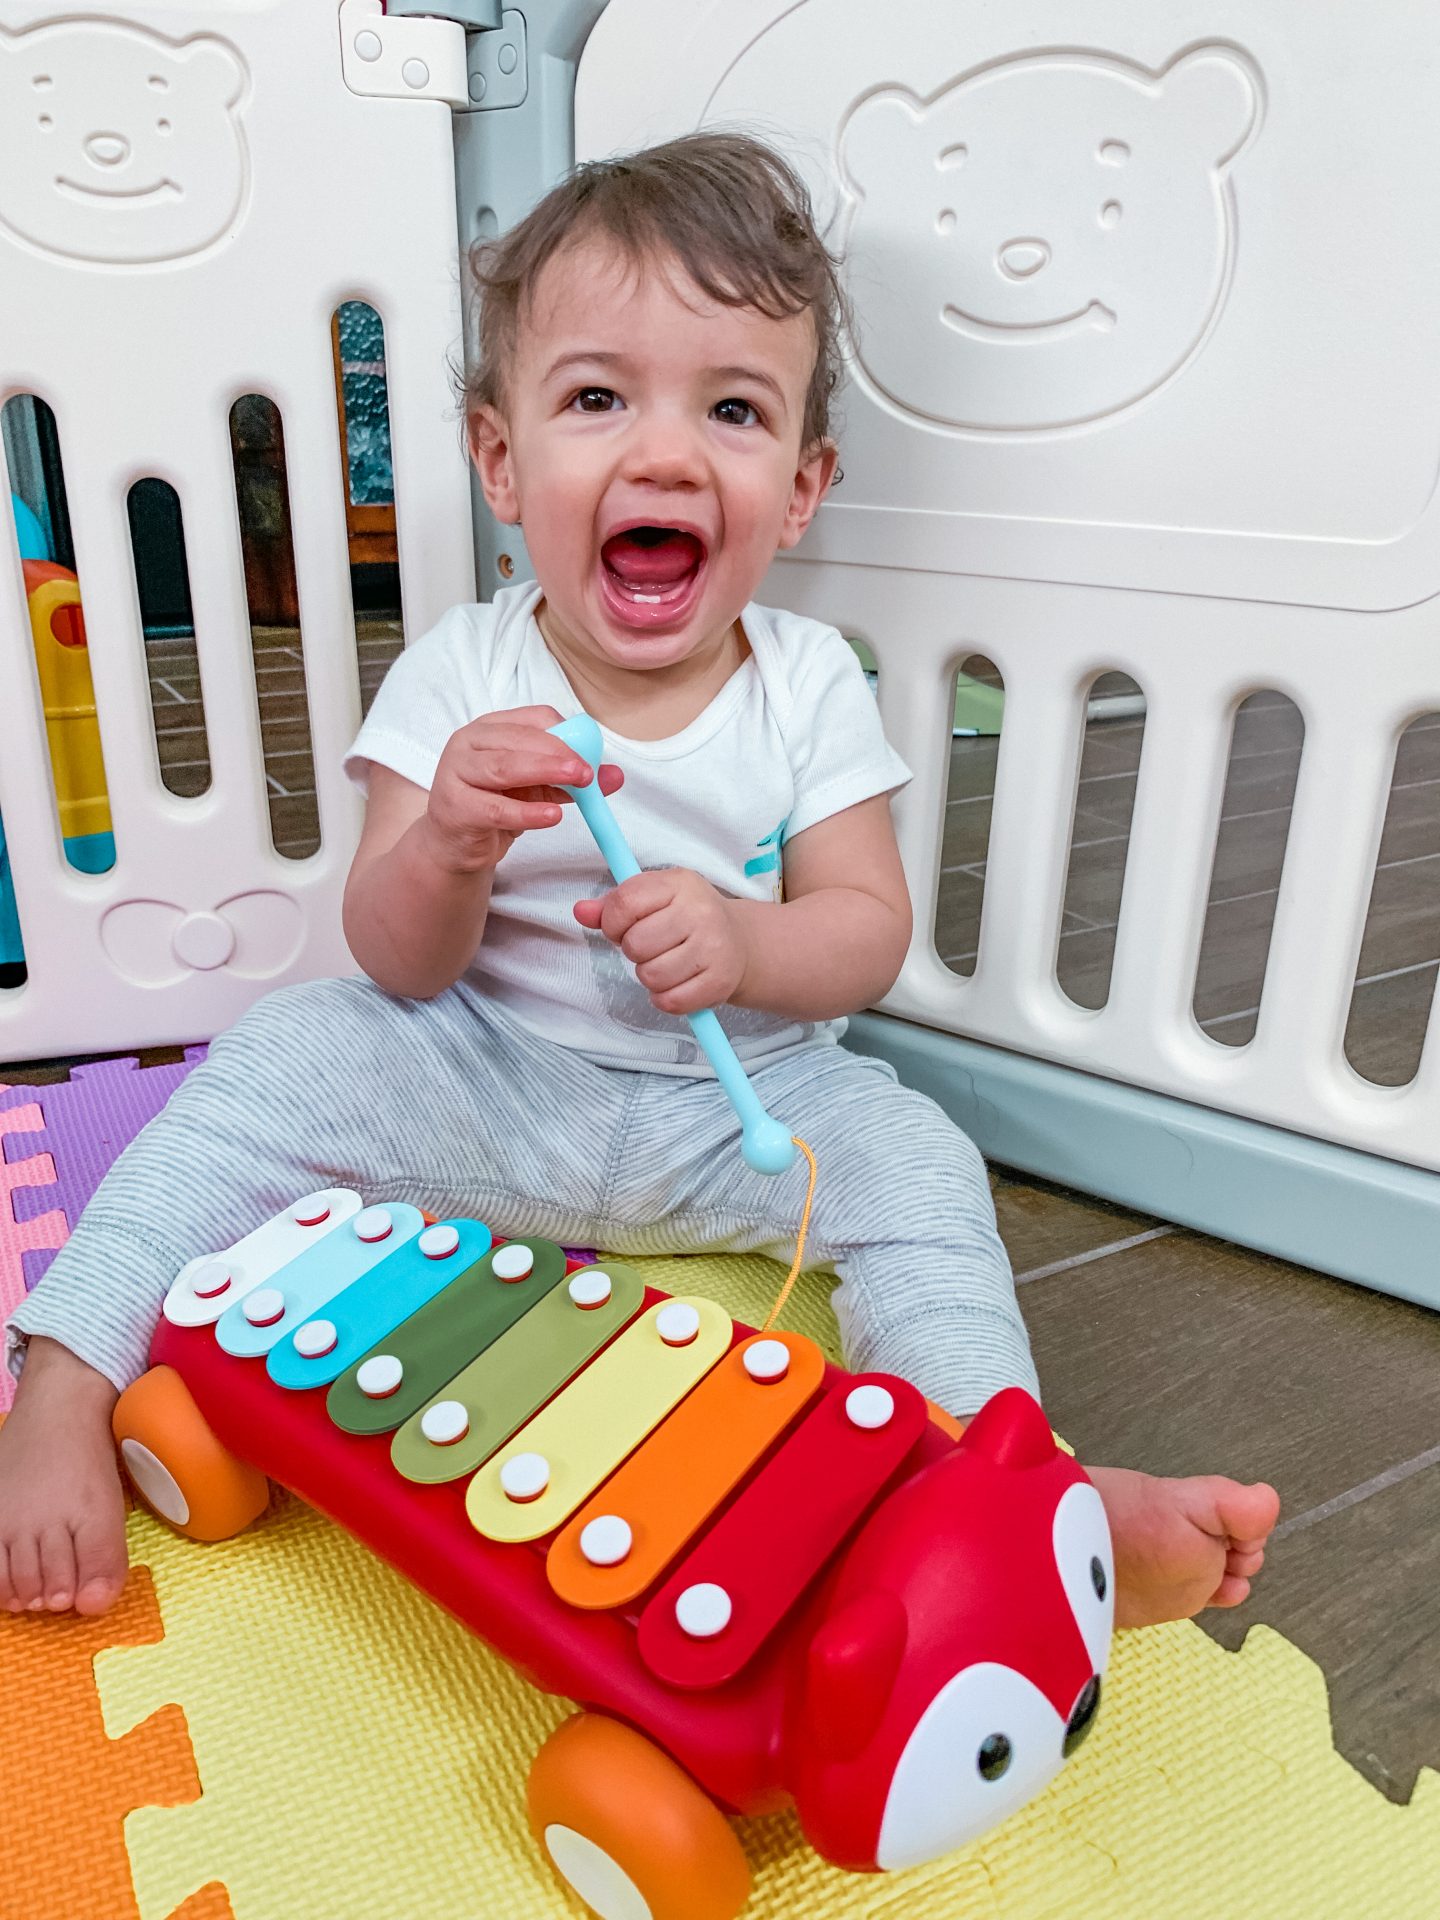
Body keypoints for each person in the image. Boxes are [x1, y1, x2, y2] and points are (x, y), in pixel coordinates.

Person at [0, 133, 1277, 1628]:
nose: (662, 454)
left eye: (729, 409)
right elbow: (395, 961)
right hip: (478, 1078)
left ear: (798, 489)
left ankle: (1004, 1492)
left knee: (915, 1159)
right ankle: (62, 1383)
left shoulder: (807, 683)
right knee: (279, 1056)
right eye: (598, 398)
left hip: (733, 1116)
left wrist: (745, 944)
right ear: (501, 460)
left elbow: (864, 933)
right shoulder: (464, 670)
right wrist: (450, 848)